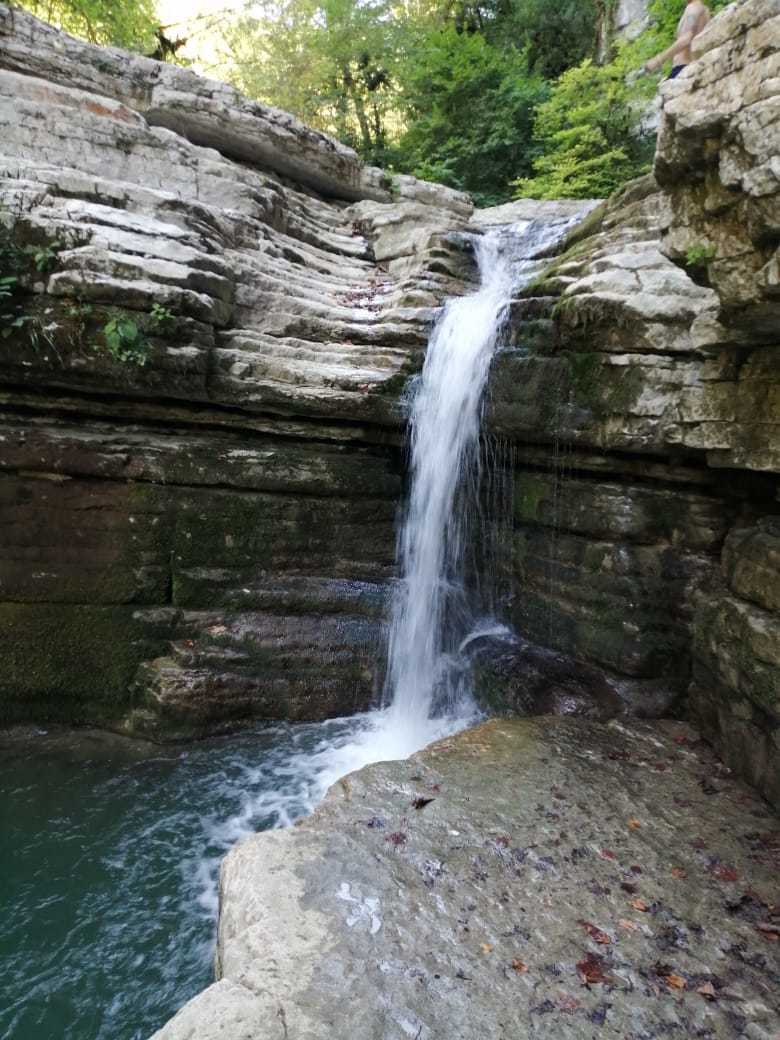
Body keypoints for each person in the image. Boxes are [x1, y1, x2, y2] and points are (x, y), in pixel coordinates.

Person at [643, 0, 711, 79]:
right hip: (691, 69)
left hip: (682, 69)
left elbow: (686, 39)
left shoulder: (693, 8)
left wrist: (658, 60)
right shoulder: (705, 10)